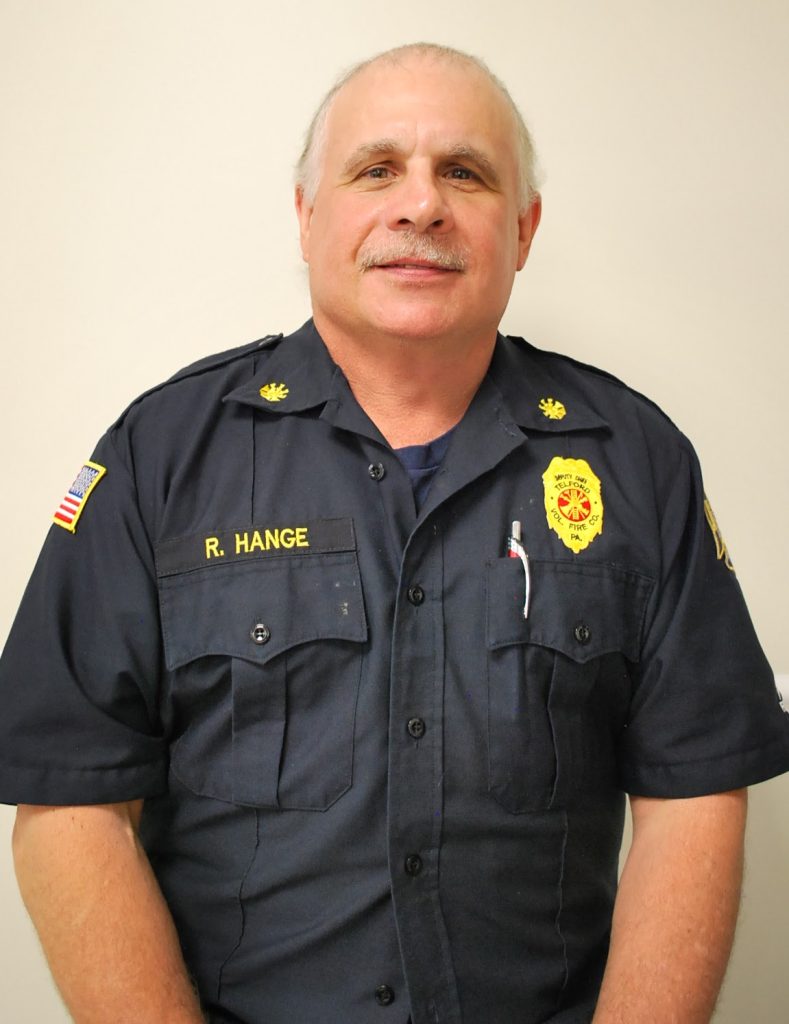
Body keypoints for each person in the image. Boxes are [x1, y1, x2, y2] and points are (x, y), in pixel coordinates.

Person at [1, 41, 788, 1024]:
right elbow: (72, 802)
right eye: (377, 169)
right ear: (306, 214)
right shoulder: (161, 457)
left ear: (525, 228)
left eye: (465, 172)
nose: (420, 205)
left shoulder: (638, 462)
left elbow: (694, 795)